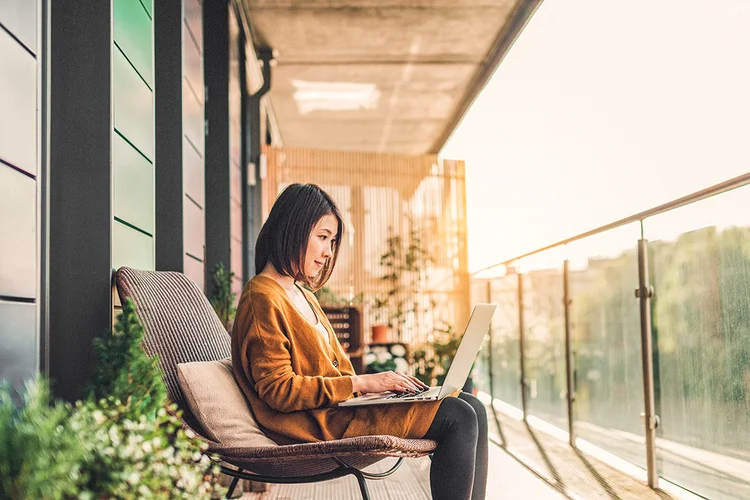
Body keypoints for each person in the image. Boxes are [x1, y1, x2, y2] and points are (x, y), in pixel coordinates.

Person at [231, 183, 488, 500]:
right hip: (316, 426)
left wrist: (381, 393)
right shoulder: (262, 297)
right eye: (322, 237)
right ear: (292, 230)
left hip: (341, 411)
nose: (328, 251)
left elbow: (336, 374)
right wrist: (364, 384)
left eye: (332, 241)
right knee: (458, 416)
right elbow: (278, 390)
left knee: (473, 405)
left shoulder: (302, 295)